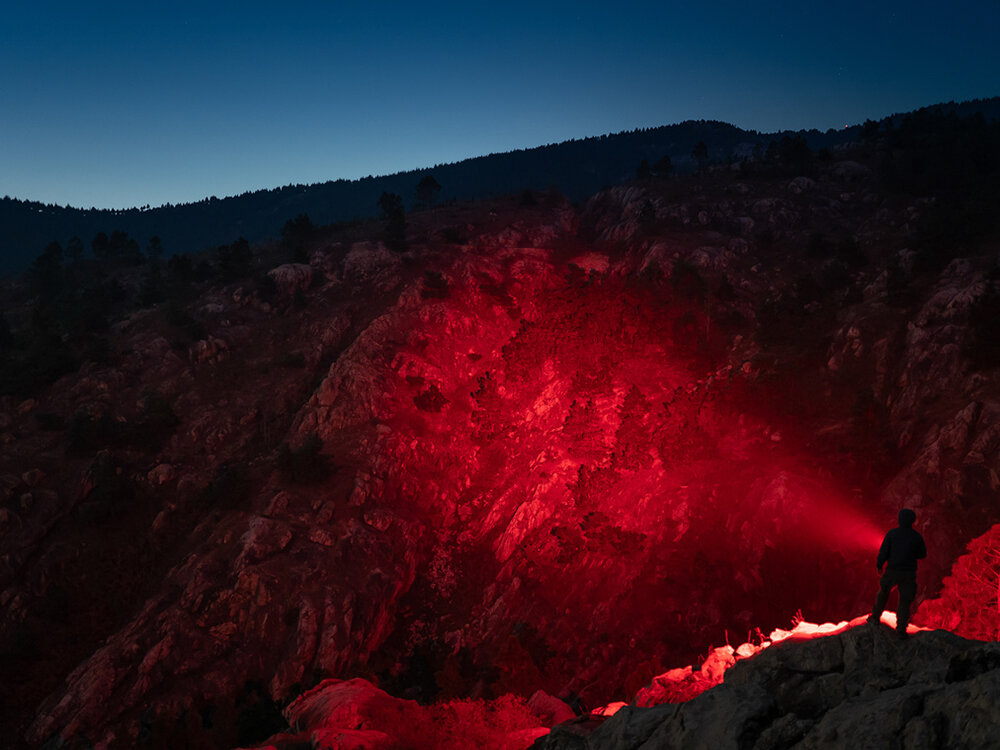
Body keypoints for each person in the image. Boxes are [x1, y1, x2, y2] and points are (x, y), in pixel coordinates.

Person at [868, 508, 927, 638]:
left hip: (892, 570)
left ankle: (875, 617)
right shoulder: (916, 537)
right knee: (905, 601)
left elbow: (883, 551)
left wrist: (879, 565)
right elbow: (923, 554)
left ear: (900, 519)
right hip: (909, 573)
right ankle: (901, 629)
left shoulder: (892, 534)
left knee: (883, 593)